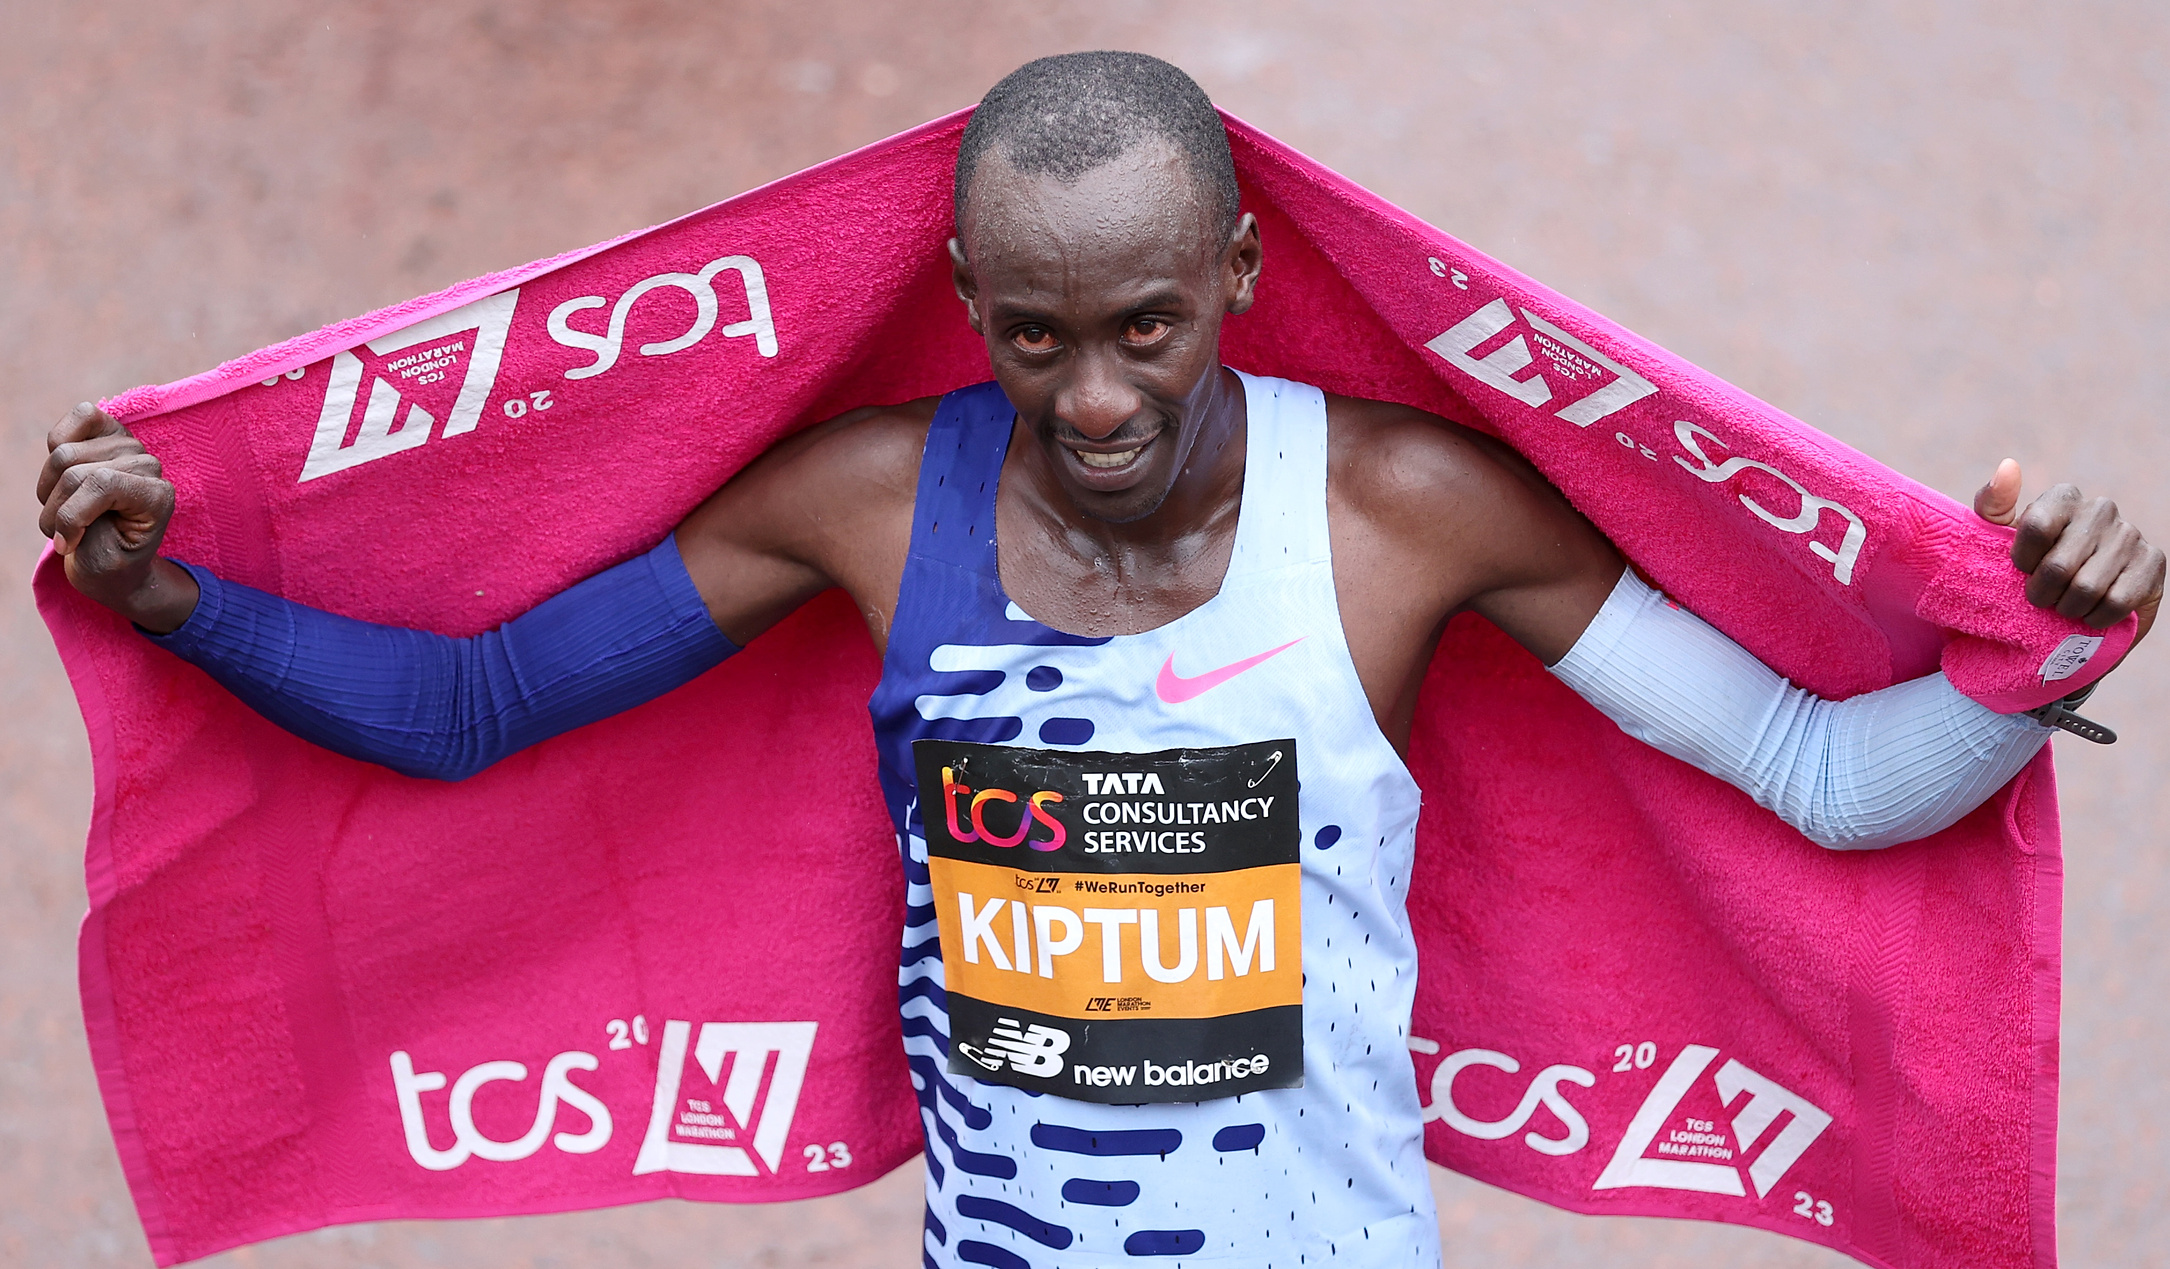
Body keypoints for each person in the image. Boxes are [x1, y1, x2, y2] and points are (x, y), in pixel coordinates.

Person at [33, 51, 2164, 1269]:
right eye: (1031, 335)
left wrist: (2037, 648)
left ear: (1234, 267)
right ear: (964, 293)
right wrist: (178, 602)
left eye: (1146, 323)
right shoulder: (863, 505)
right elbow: (470, 707)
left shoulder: (1401, 514)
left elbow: (1815, 767)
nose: (1095, 398)